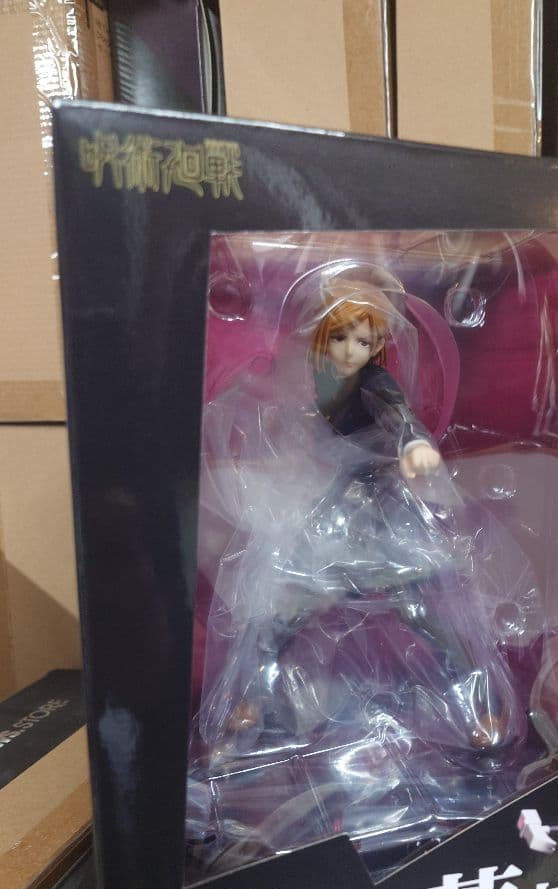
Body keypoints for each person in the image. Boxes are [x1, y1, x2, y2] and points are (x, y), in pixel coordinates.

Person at [196, 268, 519, 767]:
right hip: (336, 507)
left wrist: (412, 445)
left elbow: (397, 412)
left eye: (363, 341)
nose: (350, 350)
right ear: (323, 338)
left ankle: (478, 708)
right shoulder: (320, 377)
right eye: (341, 338)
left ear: (378, 344)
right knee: (289, 608)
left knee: (419, 610)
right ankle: (248, 703)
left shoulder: (374, 381)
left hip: (378, 511)